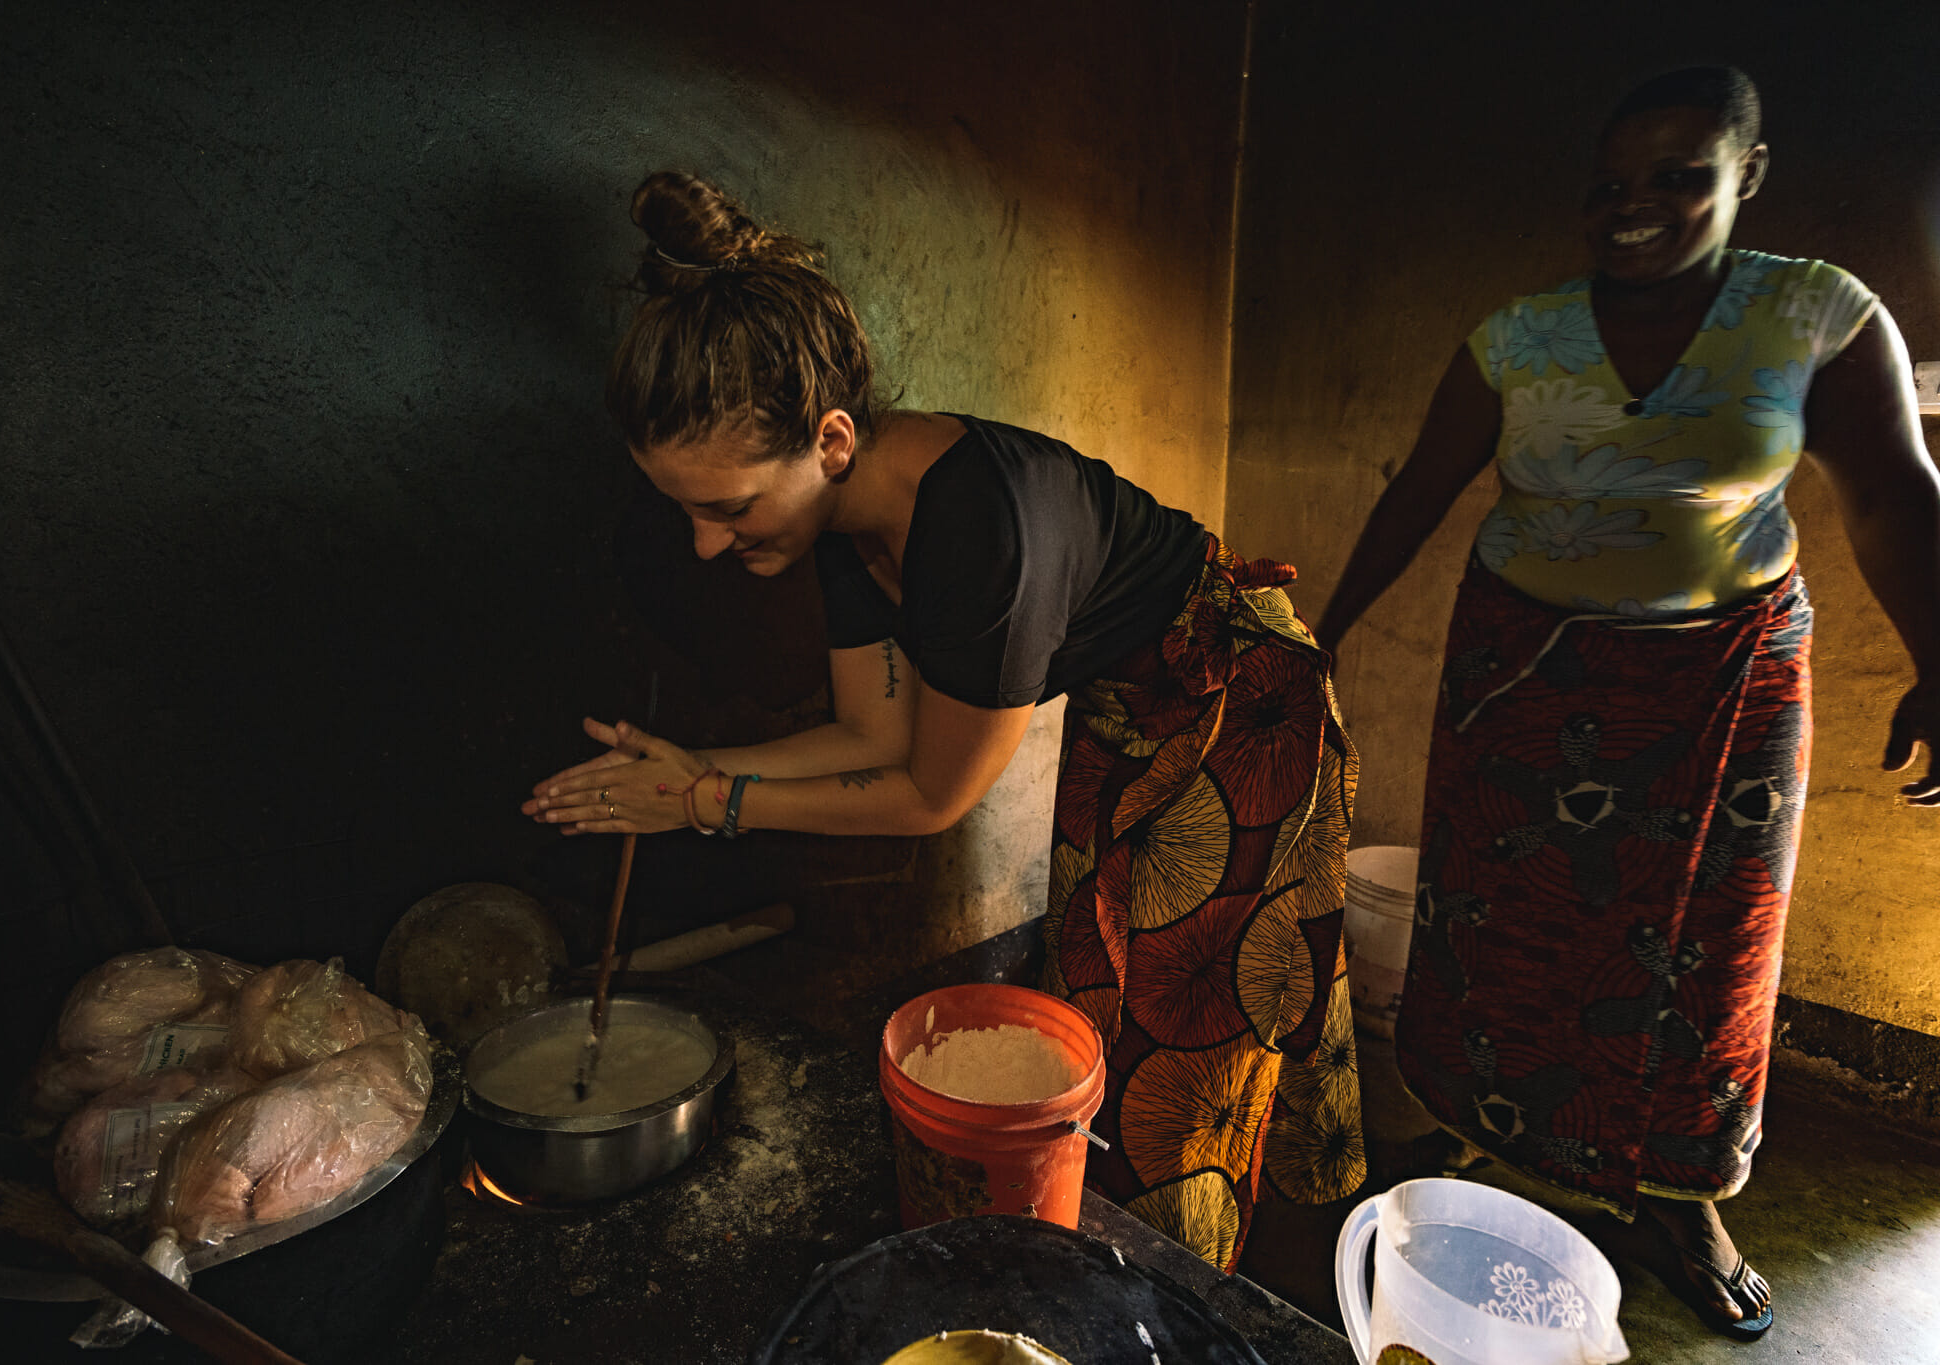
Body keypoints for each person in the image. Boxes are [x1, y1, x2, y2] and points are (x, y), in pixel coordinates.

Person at [521, 170, 1366, 1268]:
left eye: (725, 509)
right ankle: (1111, 1243)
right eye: (682, 510)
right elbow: (872, 738)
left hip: (1240, 705)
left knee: (1184, 1046)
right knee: (1099, 986)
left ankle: (1174, 1296)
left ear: (828, 442)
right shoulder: (838, 524)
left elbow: (930, 795)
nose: (704, 546)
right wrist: (695, 766)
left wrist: (698, 803)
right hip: (1134, 710)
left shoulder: (981, 534)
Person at [1315, 66, 1939, 1341]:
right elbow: (1417, 494)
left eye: (1678, 177)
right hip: (1523, 672)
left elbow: (1893, 498)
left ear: (1745, 176)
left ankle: (1680, 1201)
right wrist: (1317, 635)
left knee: (1708, 952)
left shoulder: (1814, 318)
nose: (1636, 208)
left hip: (1725, 679)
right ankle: (1462, 1152)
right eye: (1610, 185)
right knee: (1493, 923)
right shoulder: (1517, 340)